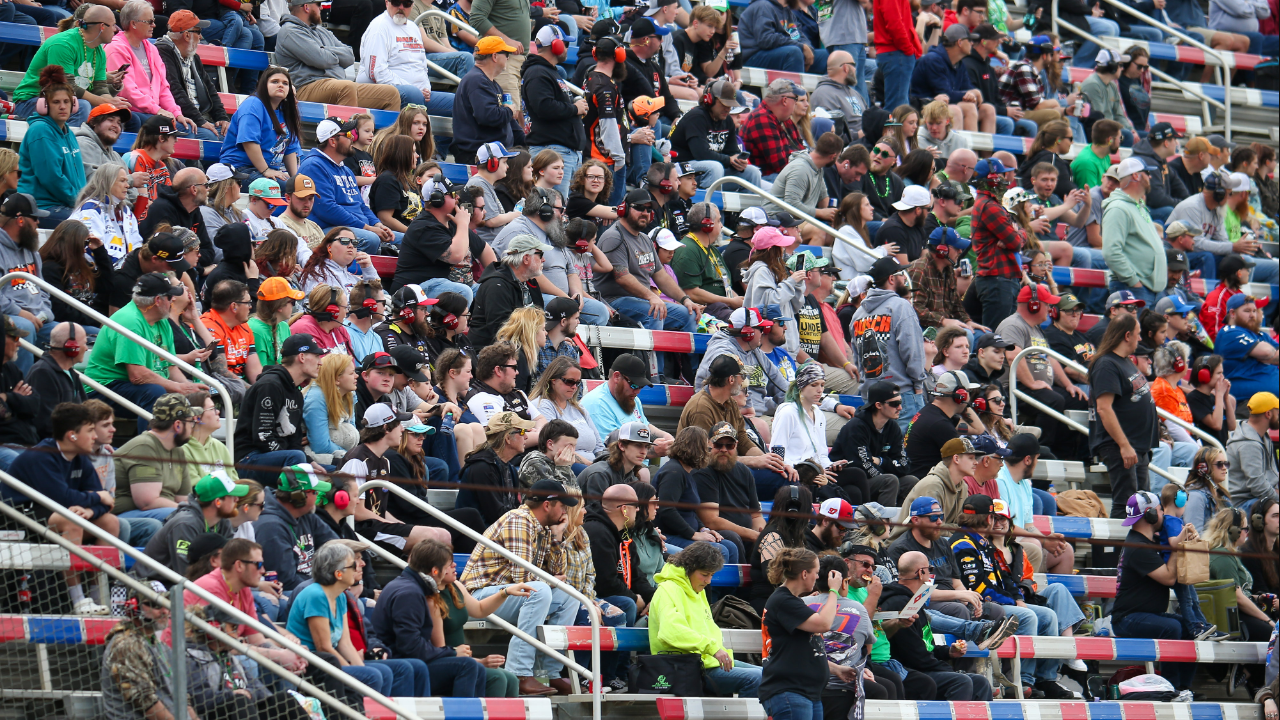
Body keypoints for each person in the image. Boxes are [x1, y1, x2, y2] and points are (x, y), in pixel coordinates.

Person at [457, 479, 581, 695]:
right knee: (538, 590)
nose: (565, 511)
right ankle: (519, 673)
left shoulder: (541, 527)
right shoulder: (519, 520)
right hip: (479, 598)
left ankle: (549, 673)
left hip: (505, 595)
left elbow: (556, 570)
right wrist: (550, 581)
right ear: (547, 505)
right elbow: (522, 578)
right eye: (562, 505)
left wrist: (557, 535)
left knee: (569, 596)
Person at [2, 403, 118, 614]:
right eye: (90, 430)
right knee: (72, 519)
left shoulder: (79, 457)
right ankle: (78, 600)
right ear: (72, 435)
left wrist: (91, 511)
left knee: (110, 522)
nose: (94, 436)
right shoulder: (42, 456)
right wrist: (95, 498)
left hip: (55, 513)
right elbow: (61, 498)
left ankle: (96, 594)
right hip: (21, 516)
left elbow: (106, 502)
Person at [84, 273, 202, 432]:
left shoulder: (161, 320)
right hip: (104, 388)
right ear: (157, 300)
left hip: (133, 387)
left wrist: (188, 387)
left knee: (196, 396)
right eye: (169, 296)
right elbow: (137, 376)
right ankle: (148, 448)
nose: (173, 300)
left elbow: (170, 366)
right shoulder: (130, 321)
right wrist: (178, 388)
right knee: (155, 392)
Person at [1110, 491, 1197, 692]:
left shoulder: (1150, 541)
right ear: (1150, 515)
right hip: (1127, 618)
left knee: (1188, 628)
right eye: (1160, 510)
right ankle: (1170, 687)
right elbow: (1168, 577)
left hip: (1147, 614)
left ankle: (1185, 688)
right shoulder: (1138, 546)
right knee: (1172, 628)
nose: (1163, 515)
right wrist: (1176, 547)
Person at [880, 550, 993, 701]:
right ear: (920, 573)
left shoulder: (914, 599)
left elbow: (925, 646)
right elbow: (913, 655)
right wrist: (948, 669)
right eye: (930, 570)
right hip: (911, 671)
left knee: (981, 682)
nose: (931, 575)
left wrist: (948, 652)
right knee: (961, 682)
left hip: (923, 667)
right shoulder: (899, 603)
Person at [1089, 314, 1158, 531]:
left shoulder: (1125, 362)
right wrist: (1124, 445)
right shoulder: (1106, 364)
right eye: (1137, 335)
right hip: (1121, 445)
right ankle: (1116, 558)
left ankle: (1132, 557)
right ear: (1127, 335)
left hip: (1138, 446)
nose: (1139, 340)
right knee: (1126, 504)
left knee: (1141, 504)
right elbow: (1104, 408)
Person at [275, 0, 399, 111]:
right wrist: (327, 53)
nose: (322, 8)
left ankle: (383, 137)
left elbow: (350, 56)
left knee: (391, 94)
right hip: (306, 88)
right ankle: (348, 135)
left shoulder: (321, 31)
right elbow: (321, 59)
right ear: (306, 7)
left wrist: (324, 50)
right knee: (346, 87)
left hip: (338, 86)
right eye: (318, 4)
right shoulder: (290, 31)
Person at [297, 120, 397, 254]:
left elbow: (360, 205)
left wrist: (378, 224)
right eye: (349, 135)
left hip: (357, 228)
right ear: (333, 141)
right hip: (327, 229)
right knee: (372, 239)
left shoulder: (346, 169)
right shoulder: (313, 166)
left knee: (405, 240)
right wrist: (367, 228)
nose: (353, 138)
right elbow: (327, 209)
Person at [233, 335, 323, 484]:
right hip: (250, 459)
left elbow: (294, 441)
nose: (320, 362)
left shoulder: (296, 394)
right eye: (316, 356)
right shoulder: (270, 386)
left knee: (335, 471)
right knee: (297, 460)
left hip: (279, 457)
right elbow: (263, 436)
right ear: (301, 357)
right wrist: (300, 463)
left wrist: (309, 462)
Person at [850, 257, 926, 432]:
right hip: (901, 396)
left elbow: (858, 359)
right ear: (891, 279)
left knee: (881, 453)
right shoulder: (901, 306)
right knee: (905, 453)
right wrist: (918, 386)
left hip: (871, 398)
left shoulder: (858, 314)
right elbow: (913, 352)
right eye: (901, 274)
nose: (904, 279)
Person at [101, 581, 183, 718]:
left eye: (166, 603)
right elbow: (147, 704)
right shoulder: (127, 645)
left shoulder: (158, 644)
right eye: (155, 605)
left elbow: (183, 697)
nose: (164, 611)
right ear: (133, 607)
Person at [16, 68, 85, 229]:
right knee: (87, 225)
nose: (62, 107)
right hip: (40, 207)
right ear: (44, 105)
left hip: (64, 204)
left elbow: (79, 175)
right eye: (56, 102)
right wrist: (78, 202)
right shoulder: (41, 131)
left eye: (66, 102)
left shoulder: (68, 133)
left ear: (73, 105)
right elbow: (51, 177)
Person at [219, 68, 303, 187]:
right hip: (239, 169)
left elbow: (289, 150)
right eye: (275, 82)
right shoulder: (253, 105)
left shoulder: (286, 111)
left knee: (301, 188)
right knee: (283, 187)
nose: (280, 85)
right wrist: (265, 171)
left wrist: (295, 180)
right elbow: (249, 142)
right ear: (264, 85)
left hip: (265, 170)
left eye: (285, 83)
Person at [1217, 296, 1279, 406]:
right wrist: (1267, 355)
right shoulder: (1229, 332)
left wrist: (1265, 355)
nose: (1252, 315)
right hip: (1247, 403)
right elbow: (1267, 352)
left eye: (1254, 311)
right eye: (1247, 311)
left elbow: (1269, 354)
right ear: (1232, 313)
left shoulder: (1259, 334)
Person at [741, 80, 808, 179]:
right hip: (763, 180)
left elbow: (801, 151)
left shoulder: (785, 119)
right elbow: (780, 165)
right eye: (796, 99)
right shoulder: (761, 118)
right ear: (784, 101)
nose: (795, 105)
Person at [1226, 392, 1280, 512]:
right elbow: (1258, 486)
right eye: (1278, 412)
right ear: (1268, 414)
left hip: (1259, 498)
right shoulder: (1248, 444)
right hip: (1244, 504)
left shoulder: (1262, 436)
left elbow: (1272, 476)